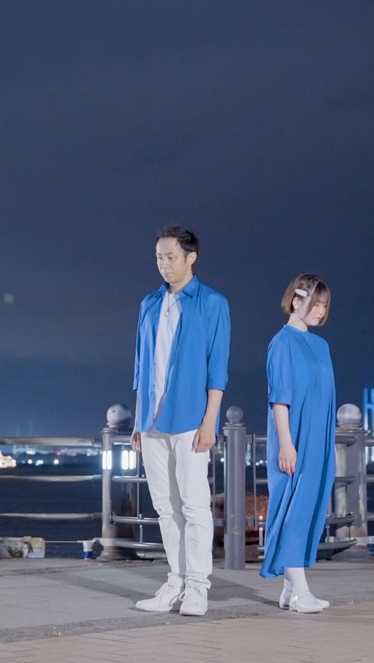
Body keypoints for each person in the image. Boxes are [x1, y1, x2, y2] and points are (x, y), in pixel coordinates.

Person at [131, 224, 231, 617]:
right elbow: (142, 366)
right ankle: (175, 582)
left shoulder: (212, 302)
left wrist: (210, 422)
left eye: (170, 256)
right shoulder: (149, 303)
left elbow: (217, 369)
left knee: (194, 504)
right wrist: (138, 420)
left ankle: (198, 587)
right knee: (164, 506)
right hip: (151, 420)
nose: (163, 264)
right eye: (159, 257)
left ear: (191, 257)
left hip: (190, 418)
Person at [260, 273, 336, 613]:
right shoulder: (282, 343)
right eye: (314, 303)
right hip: (293, 437)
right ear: (295, 300)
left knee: (308, 508)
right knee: (292, 509)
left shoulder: (321, 346)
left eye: (324, 305)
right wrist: (286, 444)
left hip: (318, 439)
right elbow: (280, 399)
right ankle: (301, 592)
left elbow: (324, 397)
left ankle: (290, 590)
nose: (320, 311)